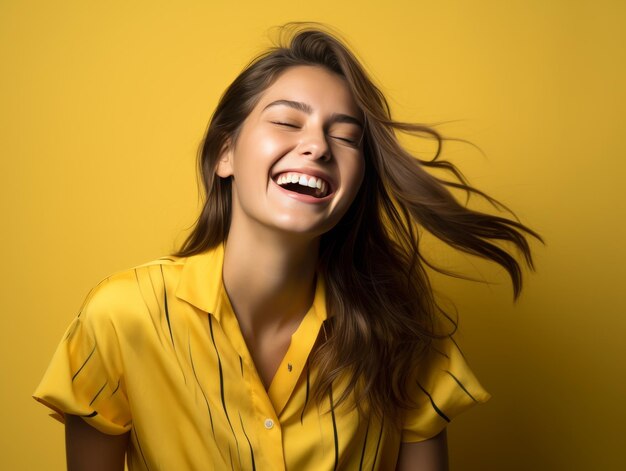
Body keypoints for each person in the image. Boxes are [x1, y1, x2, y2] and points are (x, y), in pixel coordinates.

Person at [34, 24, 539, 470]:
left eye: (345, 136)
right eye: (287, 121)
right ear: (224, 153)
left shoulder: (403, 334)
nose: (317, 146)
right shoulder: (121, 318)